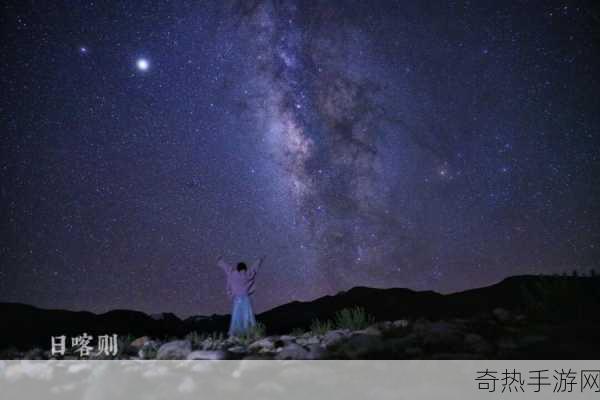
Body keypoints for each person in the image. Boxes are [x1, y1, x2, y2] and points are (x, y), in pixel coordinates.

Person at [217, 254, 265, 337]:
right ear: (245, 268)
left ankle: (236, 334)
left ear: (237, 268)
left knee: (236, 317)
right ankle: (250, 333)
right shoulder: (248, 274)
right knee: (247, 316)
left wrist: (220, 261)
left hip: (237, 299)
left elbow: (226, 267)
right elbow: (254, 268)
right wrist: (259, 260)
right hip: (246, 298)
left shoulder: (232, 274)